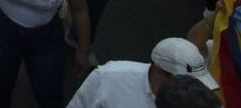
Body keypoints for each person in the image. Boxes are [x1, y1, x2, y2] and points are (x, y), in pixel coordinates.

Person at [69, 37, 216, 108]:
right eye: (185, 83)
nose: (192, 89)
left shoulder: (197, 101)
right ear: (159, 71)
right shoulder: (108, 78)